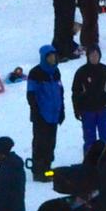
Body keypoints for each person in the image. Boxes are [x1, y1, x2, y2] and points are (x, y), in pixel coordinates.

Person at [72, 45, 106, 157]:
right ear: (88, 56)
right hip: (87, 111)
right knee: (89, 139)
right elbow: (75, 92)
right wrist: (77, 109)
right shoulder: (81, 72)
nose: (94, 57)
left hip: (103, 110)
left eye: (96, 55)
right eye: (92, 55)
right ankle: (89, 163)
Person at [26, 46, 65, 177]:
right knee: (40, 143)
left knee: (51, 143)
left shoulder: (55, 72)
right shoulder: (35, 73)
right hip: (41, 115)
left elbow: (60, 91)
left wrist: (62, 110)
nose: (53, 59)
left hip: (54, 115)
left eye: (54, 56)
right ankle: (38, 171)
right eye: (50, 56)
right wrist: (36, 112)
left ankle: (47, 168)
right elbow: (31, 95)